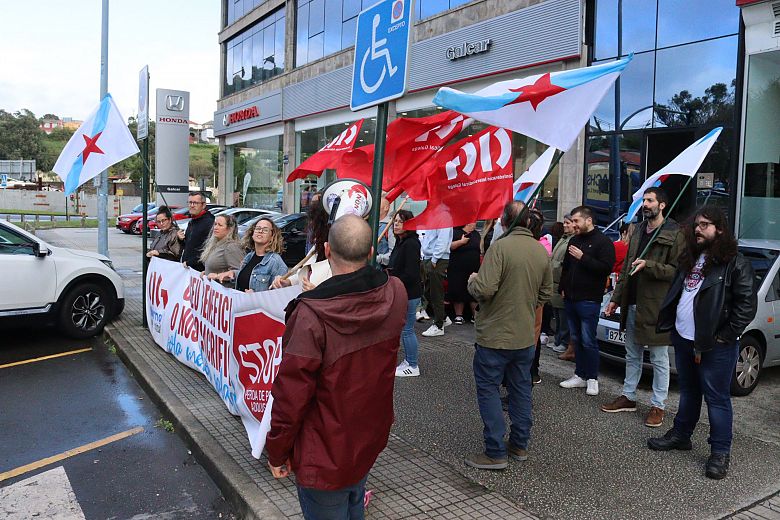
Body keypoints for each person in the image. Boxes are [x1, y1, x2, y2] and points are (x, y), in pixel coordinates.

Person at [265, 215, 407, 518]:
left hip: (324, 450)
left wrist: (277, 450)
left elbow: (290, 396)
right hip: (368, 435)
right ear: (371, 252)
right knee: (354, 502)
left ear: (327, 250)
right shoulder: (395, 292)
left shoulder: (311, 315)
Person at [648, 206, 756, 480]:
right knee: (689, 391)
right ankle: (681, 434)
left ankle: (720, 452)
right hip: (684, 339)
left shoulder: (735, 262)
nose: (698, 229)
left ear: (719, 229)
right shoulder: (691, 257)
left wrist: (724, 336)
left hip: (715, 345)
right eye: (696, 224)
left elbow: (746, 306)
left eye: (705, 224)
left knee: (717, 398)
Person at [464, 201, 552, 470]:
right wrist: (525, 304)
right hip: (524, 336)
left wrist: (472, 281)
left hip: (495, 335)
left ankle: (495, 451)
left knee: (489, 389)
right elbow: (546, 293)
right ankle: (519, 443)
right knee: (520, 389)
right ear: (528, 222)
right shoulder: (539, 250)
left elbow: (484, 289)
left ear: (504, 221)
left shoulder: (500, 247)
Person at [602, 187, 684, 427]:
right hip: (632, 301)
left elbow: (677, 272)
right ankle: (628, 396)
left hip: (656, 306)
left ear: (662, 205)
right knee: (632, 354)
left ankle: (658, 406)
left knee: (658, 358)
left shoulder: (675, 233)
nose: (645, 204)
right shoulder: (637, 230)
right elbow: (627, 266)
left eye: (650, 200)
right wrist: (615, 299)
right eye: (644, 200)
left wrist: (649, 265)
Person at [558, 205, 615, 396]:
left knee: (588, 340)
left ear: (588, 220)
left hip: (589, 299)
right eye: (572, 221)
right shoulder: (574, 240)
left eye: (577, 221)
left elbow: (605, 268)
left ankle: (592, 378)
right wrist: (562, 288)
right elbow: (566, 267)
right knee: (576, 338)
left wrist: (584, 258)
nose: (574, 224)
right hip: (571, 297)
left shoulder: (603, 242)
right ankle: (579, 374)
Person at [388, 210, 423, 377]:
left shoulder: (411, 244)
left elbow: (411, 273)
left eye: (400, 221)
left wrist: (393, 280)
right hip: (401, 291)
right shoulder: (400, 242)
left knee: (408, 329)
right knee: (404, 329)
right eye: (395, 221)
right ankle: (409, 360)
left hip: (409, 293)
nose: (396, 224)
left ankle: (413, 364)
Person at [213, 218, 288, 292]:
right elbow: (248, 277)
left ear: (272, 237)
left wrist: (255, 296)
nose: (260, 231)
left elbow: (278, 294)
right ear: (252, 233)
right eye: (258, 228)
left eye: (265, 230)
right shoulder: (249, 256)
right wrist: (232, 273)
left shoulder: (276, 262)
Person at [420, 227, 453, 337]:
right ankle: (442, 317)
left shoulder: (444, 219)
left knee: (436, 293)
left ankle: (439, 325)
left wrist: (435, 258)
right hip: (429, 257)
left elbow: (443, 240)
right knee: (428, 292)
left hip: (437, 258)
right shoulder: (433, 220)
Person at [447, 222, 481, 324]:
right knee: (458, 289)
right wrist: (461, 242)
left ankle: (475, 316)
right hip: (457, 267)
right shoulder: (455, 232)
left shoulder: (476, 234)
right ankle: (459, 315)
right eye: (474, 221)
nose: (475, 223)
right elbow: (449, 246)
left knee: (473, 292)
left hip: (473, 267)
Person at [550, 215, 574, 357]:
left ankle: (563, 341)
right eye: (564, 223)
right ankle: (558, 339)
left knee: (563, 315)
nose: (565, 225)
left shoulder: (571, 240)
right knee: (557, 313)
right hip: (555, 280)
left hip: (561, 281)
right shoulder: (563, 238)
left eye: (568, 223)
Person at [200, 214, 245, 287]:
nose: (215, 227)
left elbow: (240, 273)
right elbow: (218, 266)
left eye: (220, 225)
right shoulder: (217, 244)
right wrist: (207, 273)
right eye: (215, 224)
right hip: (212, 290)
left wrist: (217, 276)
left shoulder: (231, 247)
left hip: (225, 291)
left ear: (229, 229)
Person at [179, 191, 215, 271]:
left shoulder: (209, 223)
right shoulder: (192, 221)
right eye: (190, 202)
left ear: (203, 205)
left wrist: (190, 262)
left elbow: (209, 249)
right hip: (188, 270)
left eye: (195, 203)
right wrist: (181, 239)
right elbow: (189, 246)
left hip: (200, 271)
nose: (192, 205)